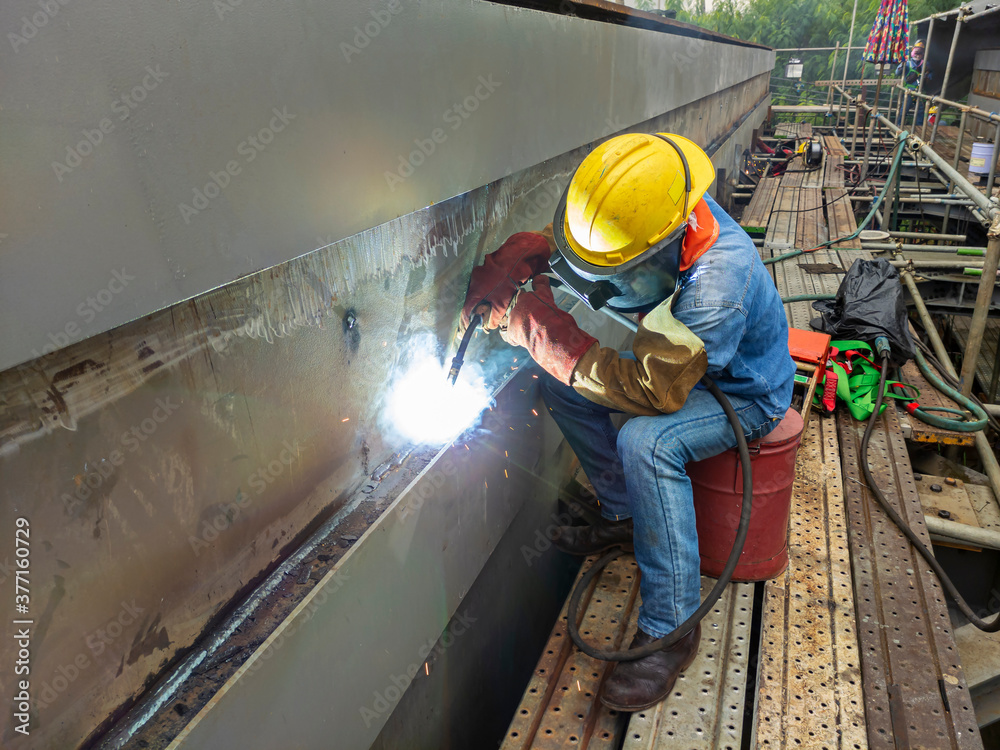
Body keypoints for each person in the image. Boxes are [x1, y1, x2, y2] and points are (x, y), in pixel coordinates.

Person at [460, 132, 794, 712]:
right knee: (562, 384)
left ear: (658, 254)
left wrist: (543, 332)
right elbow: (600, 249)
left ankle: (673, 626)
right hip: (681, 359)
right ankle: (622, 513)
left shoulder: (718, 287)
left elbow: (657, 391)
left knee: (646, 440)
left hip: (743, 393)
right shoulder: (656, 202)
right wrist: (542, 249)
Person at [896, 39, 927, 126]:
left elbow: (931, 74)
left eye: (920, 53)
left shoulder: (924, 64)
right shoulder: (908, 63)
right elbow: (897, 73)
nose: (918, 55)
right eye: (916, 53)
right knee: (904, 110)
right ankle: (899, 125)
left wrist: (928, 75)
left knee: (920, 111)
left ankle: (919, 128)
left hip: (919, 91)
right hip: (909, 91)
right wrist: (902, 66)